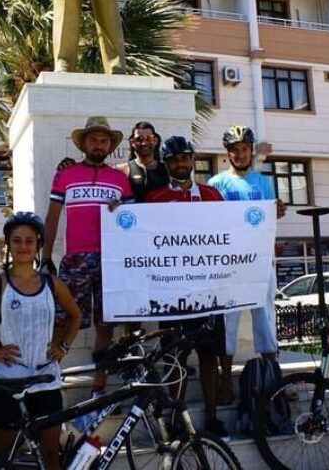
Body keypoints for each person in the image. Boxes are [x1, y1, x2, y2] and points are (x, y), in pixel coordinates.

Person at [0, 213, 80, 468]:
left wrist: (63, 347)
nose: (23, 246)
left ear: (38, 245)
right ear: (8, 245)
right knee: (1, 459)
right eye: (17, 240)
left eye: (29, 241)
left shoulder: (52, 284)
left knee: (51, 456)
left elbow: (75, 315)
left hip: (46, 380)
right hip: (6, 381)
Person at [145, 136, 229, 440]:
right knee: (175, 357)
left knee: (209, 356)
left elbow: (230, 231)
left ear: (192, 160)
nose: (181, 164)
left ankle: (212, 418)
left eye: (185, 158)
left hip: (208, 292)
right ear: (166, 164)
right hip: (172, 294)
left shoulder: (212, 194)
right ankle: (177, 417)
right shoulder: (154, 198)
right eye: (174, 160)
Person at [42, 116, 133, 394]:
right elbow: (52, 218)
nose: (98, 144)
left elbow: (133, 221)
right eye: (93, 139)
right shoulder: (66, 174)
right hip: (75, 260)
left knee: (105, 325)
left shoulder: (120, 179)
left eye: (103, 140)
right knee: (63, 321)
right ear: (84, 143)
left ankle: (98, 387)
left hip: (111, 260)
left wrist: (122, 210)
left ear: (109, 145)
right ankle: (47, 379)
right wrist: (45, 258)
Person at [208, 125, 286, 406]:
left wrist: (277, 211)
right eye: (234, 150)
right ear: (227, 153)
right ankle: (225, 379)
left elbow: (268, 220)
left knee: (264, 315)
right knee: (227, 318)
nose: (239, 154)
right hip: (228, 261)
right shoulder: (216, 183)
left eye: (243, 149)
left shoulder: (264, 183)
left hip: (259, 259)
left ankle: (273, 373)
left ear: (251, 151)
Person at [115, 121, 169, 202]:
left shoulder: (167, 169)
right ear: (132, 142)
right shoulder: (123, 170)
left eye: (148, 138)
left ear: (155, 140)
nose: (144, 143)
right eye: (139, 139)